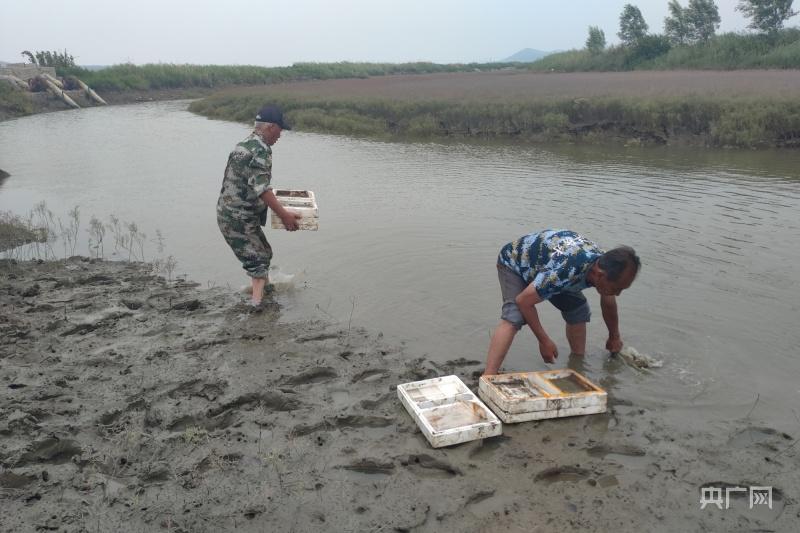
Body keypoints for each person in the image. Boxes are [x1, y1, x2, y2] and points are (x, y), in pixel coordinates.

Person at [483, 229, 640, 375]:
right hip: (515, 262)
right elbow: (523, 301)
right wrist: (544, 341)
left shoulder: (605, 264)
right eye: (616, 288)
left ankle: (576, 369)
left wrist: (614, 336)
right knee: (514, 316)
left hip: (548, 268)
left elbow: (608, 302)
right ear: (599, 275)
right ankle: (488, 377)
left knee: (578, 311)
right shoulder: (565, 270)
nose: (617, 293)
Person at [216, 105, 302, 306]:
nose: (281, 135)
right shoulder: (262, 150)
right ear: (271, 127)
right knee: (258, 260)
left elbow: (250, 184)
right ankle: (256, 305)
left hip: (230, 213)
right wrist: (284, 215)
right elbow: (262, 189)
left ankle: (265, 291)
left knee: (264, 251)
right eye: (281, 129)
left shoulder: (245, 144)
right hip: (238, 217)